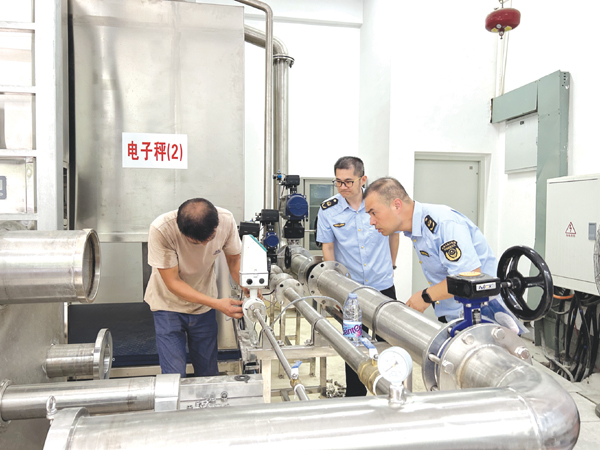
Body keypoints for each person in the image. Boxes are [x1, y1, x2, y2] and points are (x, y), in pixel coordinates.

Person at [364, 177, 520, 329]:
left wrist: (425, 296)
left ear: (396, 205)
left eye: (373, 213)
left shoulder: (443, 223)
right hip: (456, 315)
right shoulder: (417, 229)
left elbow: (469, 276)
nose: (371, 221)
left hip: (485, 315)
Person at [317, 156, 398, 396]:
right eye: (338, 181)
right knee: (352, 345)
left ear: (363, 179)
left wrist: (392, 265)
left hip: (382, 285)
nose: (342, 187)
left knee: (388, 343)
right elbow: (328, 248)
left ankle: (390, 391)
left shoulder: (380, 203)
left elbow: (394, 234)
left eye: (348, 181)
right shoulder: (329, 210)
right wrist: (332, 285)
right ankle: (355, 396)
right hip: (350, 291)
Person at [145, 198, 245, 378]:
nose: (205, 245)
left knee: (208, 373)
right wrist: (217, 303)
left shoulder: (226, 220)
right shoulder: (162, 230)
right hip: (167, 306)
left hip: (203, 307)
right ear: (179, 225)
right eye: (196, 242)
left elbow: (234, 259)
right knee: (174, 377)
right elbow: (173, 282)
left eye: (210, 239)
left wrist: (247, 286)